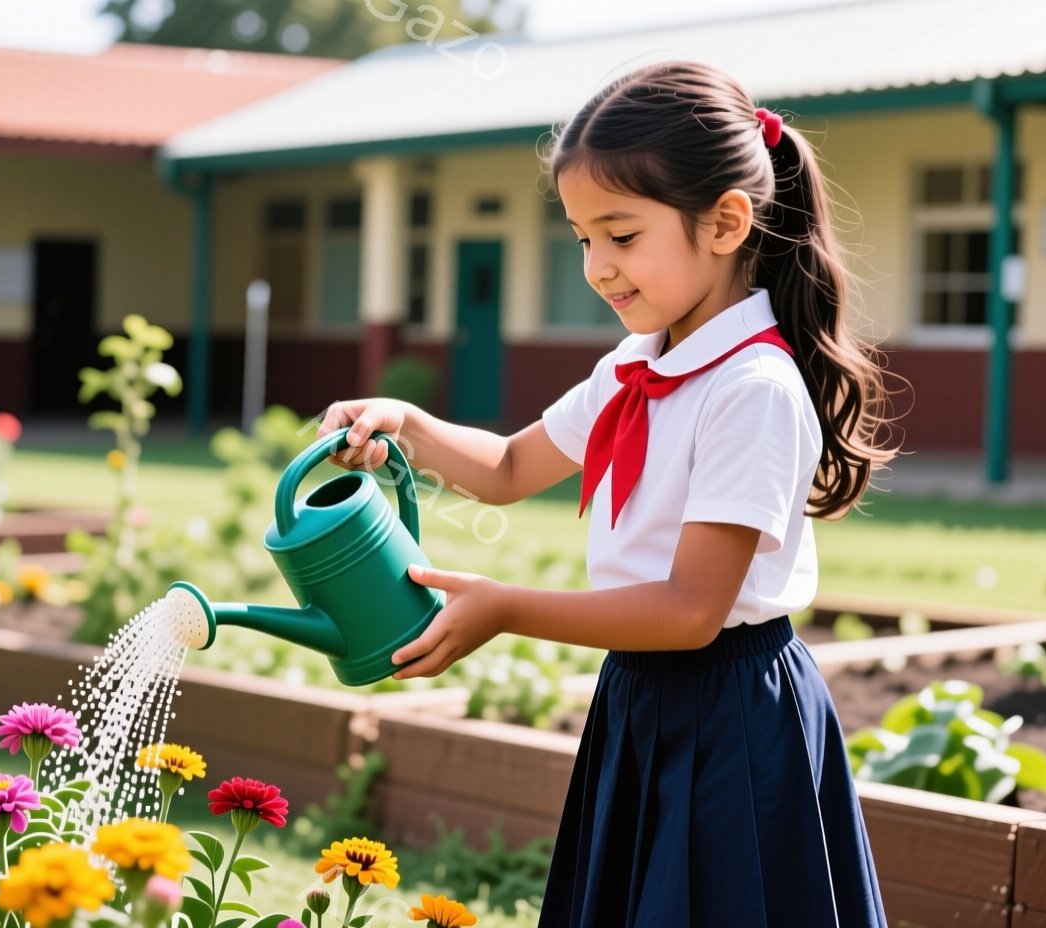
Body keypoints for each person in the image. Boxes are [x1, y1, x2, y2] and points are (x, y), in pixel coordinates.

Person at [316, 59, 898, 926]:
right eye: (583, 239)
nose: (597, 266)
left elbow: (691, 610)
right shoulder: (635, 364)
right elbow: (509, 468)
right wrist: (407, 423)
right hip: (640, 697)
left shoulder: (753, 389)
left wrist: (505, 608)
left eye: (621, 236)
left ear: (725, 223)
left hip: (731, 718)